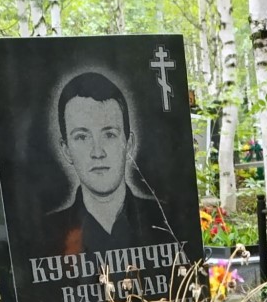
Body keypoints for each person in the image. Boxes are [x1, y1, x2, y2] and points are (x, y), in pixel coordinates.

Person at [35, 71, 180, 259]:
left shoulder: (167, 220)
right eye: (82, 137)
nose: (98, 152)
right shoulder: (44, 234)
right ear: (66, 150)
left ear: (129, 144)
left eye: (109, 134)